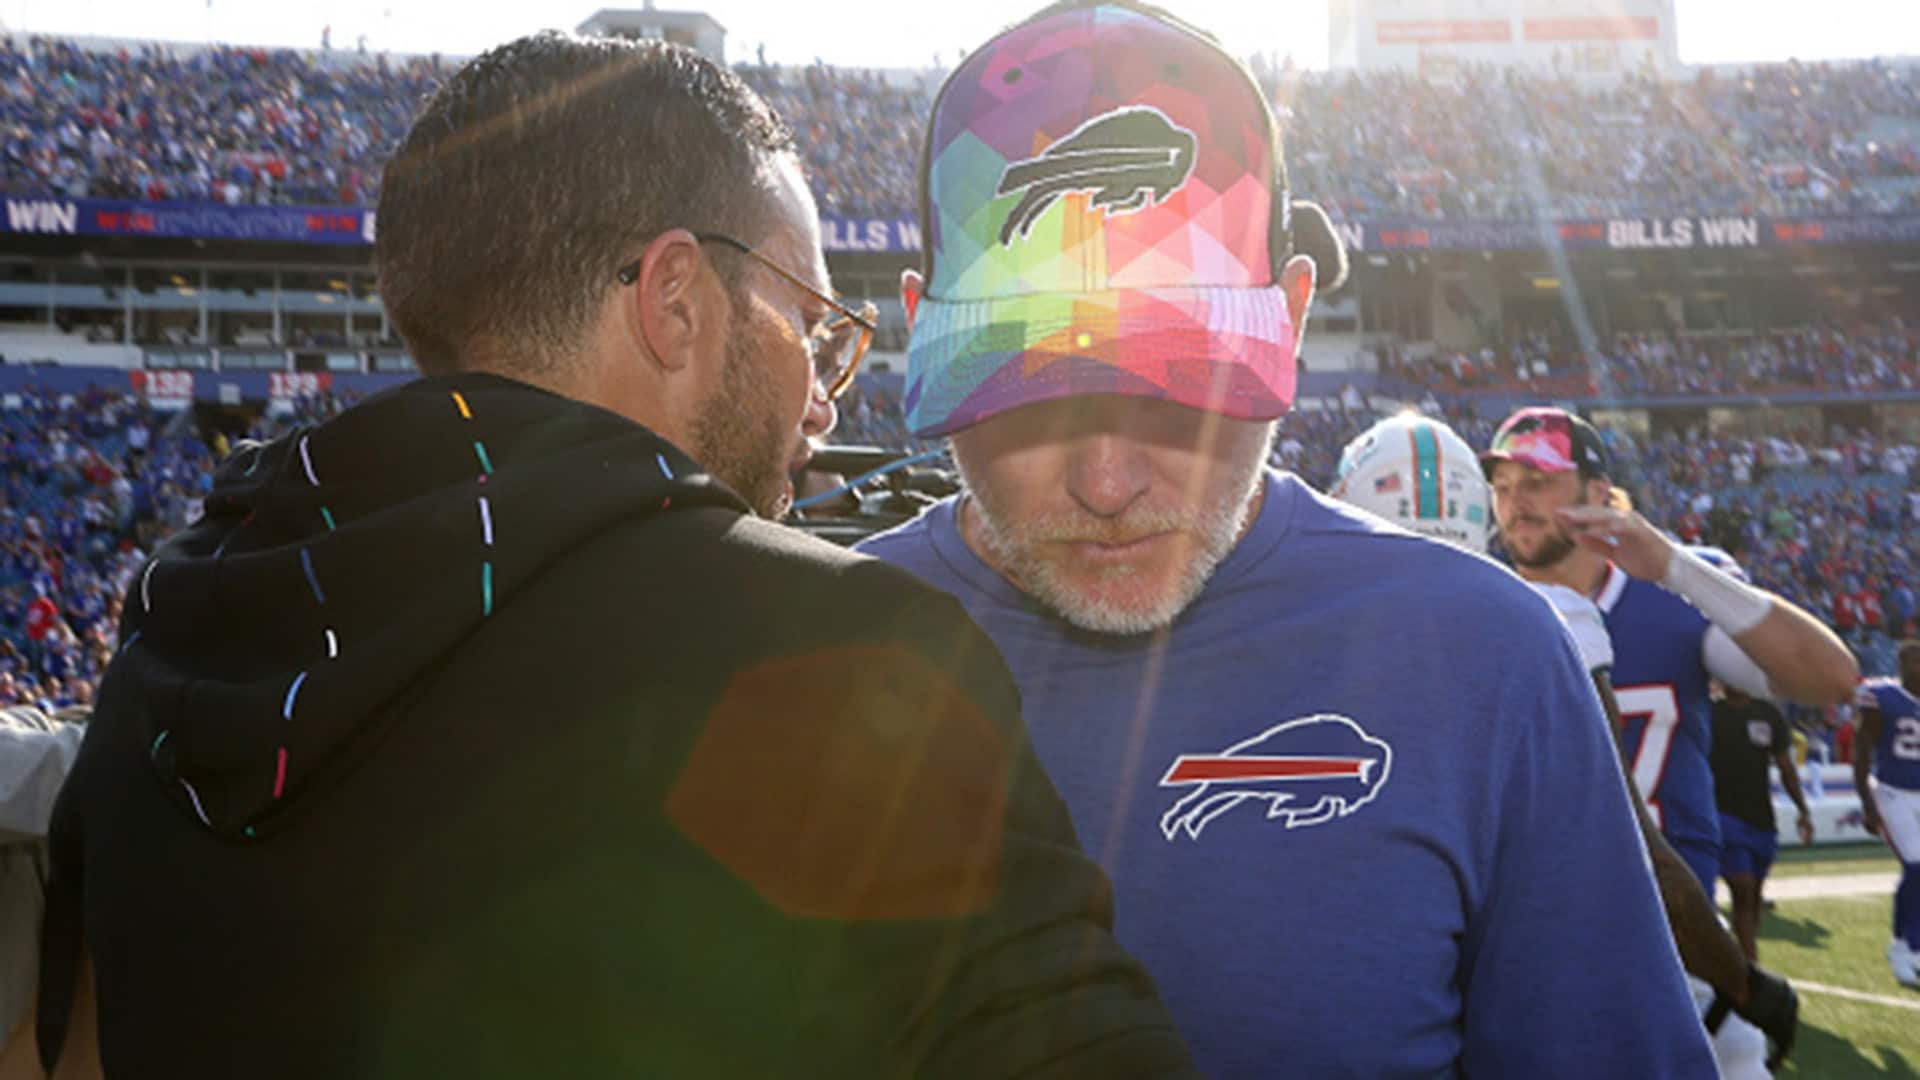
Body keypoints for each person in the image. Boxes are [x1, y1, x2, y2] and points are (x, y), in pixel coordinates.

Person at [35, 34, 1202, 1079]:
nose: (824, 399)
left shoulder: (173, 631)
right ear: (678, 301)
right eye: (814, 323)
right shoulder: (840, 647)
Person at [859, 3, 1716, 1074]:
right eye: (1030, 399)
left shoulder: (1482, 657)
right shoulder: (805, 655)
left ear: (1294, 315)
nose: (1109, 482)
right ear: (915, 325)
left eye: (1186, 393)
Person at [1337, 413, 1797, 1075]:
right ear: (1476, 505)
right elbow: (1632, 850)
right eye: (1504, 484)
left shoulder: (1310, 646)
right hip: (1578, 980)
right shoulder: (1547, 619)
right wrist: (1746, 989)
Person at [1483, 406, 1858, 899]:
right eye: (1503, 487)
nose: (1515, 502)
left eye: (1536, 480)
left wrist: (1675, 569)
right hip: (1523, 920)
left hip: (1674, 923)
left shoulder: (1670, 591)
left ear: (1597, 492)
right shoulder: (1477, 603)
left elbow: (1831, 679)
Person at [1710, 684, 1814, 961]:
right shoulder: (1709, 713)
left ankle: (1745, 956)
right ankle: (1749, 964)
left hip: (1761, 818)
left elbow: (1785, 766)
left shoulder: (1768, 714)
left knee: (1754, 894)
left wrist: (1803, 809)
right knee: (1742, 887)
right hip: (1723, 814)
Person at [1853, 641, 1920, 989]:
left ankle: (1906, 943)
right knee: (1916, 864)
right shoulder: (1882, 697)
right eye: (1913, 657)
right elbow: (1862, 749)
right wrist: (1867, 802)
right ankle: (1905, 949)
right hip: (1893, 792)